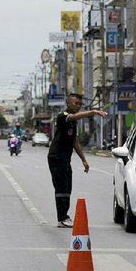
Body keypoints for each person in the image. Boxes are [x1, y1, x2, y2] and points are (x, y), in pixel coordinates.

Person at [47, 93, 107, 228]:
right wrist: (92, 111)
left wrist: (83, 159)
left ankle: (64, 216)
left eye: (80, 104)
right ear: (68, 103)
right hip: (56, 157)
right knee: (61, 188)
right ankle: (62, 218)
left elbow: (74, 141)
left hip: (65, 158)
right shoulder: (63, 116)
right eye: (76, 103)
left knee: (68, 187)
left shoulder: (73, 123)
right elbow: (72, 116)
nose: (78, 106)